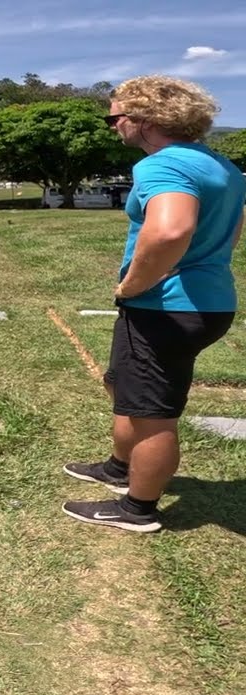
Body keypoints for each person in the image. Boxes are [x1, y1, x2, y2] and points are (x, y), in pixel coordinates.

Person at [62, 76, 244, 533]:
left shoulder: (162, 165)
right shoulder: (221, 165)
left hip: (165, 307)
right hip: (207, 302)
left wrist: (133, 285)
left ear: (144, 121)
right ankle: (119, 468)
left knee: (151, 412)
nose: (112, 126)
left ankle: (137, 509)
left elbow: (169, 231)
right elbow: (233, 229)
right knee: (124, 384)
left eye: (115, 117)